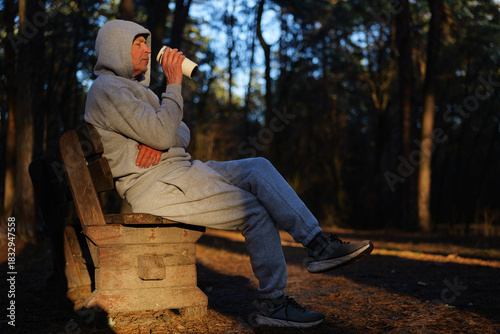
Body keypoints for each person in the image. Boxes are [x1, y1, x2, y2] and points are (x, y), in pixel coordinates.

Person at [84, 19, 373, 328]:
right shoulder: (108, 89)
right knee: (254, 211)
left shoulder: (137, 92)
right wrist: (172, 92)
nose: (148, 49)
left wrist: (160, 138)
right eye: (138, 43)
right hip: (157, 186)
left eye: (146, 41)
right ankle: (273, 303)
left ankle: (318, 245)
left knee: (258, 168)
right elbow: (165, 131)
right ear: (116, 48)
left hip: (179, 173)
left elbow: (179, 131)